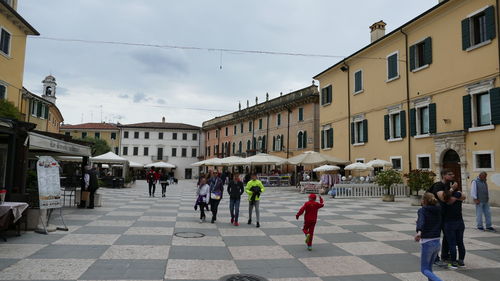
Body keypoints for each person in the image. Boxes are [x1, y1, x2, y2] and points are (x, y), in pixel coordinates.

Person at [428, 169, 461, 267]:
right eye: (450, 174)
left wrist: (455, 194)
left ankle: (445, 256)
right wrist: (452, 191)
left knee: (447, 235)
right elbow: (443, 198)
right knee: (435, 236)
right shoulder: (438, 185)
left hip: (445, 215)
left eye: (453, 173)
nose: (453, 175)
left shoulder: (448, 186)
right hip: (435, 215)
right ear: (443, 175)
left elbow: (461, 196)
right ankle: (435, 258)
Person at [415, 192, 443, 281]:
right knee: (429, 269)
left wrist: (419, 232)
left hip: (427, 242)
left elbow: (421, 222)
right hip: (437, 242)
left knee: (424, 269)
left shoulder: (422, 210)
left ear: (424, 201)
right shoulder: (438, 209)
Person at [442, 186, 466, 269]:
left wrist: (451, 190)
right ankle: (461, 261)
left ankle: (453, 262)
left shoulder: (445, 200)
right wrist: (456, 192)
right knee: (460, 243)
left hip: (449, 223)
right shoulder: (458, 198)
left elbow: (445, 195)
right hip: (459, 222)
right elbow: (460, 194)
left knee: (452, 244)